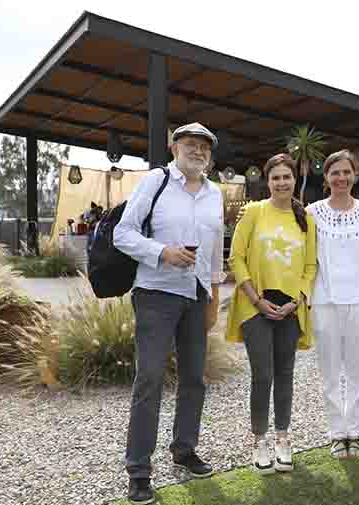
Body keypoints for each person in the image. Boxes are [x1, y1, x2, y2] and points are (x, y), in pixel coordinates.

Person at [114, 122, 225, 505]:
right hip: (156, 294)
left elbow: (214, 251)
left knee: (195, 378)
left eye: (204, 147)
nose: (198, 151)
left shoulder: (214, 194)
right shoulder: (154, 182)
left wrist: (214, 298)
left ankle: (184, 450)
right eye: (190, 144)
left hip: (197, 296)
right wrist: (163, 252)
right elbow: (122, 234)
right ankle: (139, 470)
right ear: (174, 146)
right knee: (149, 379)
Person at [225, 153, 317, 475]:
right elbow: (236, 258)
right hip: (256, 306)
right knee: (262, 374)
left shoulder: (306, 218)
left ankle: (282, 437)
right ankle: (259, 439)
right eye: (275, 177)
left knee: (285, 375)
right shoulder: (253, 212)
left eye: (286, 177)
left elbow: (310, 266)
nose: (281, 182)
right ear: (268, 181)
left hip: (290, 309)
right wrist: (256, 299)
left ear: (294, 180)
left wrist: (298, 300)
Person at [307, 150, 359, 459]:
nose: (341, 178)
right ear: (326, 177)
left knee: (357, 369)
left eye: (347, 172)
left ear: (355, 175)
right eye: (335, 172)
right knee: (329, 370)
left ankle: (354, 432)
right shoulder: (312, 212)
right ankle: (335, 433)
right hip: (324, 299)